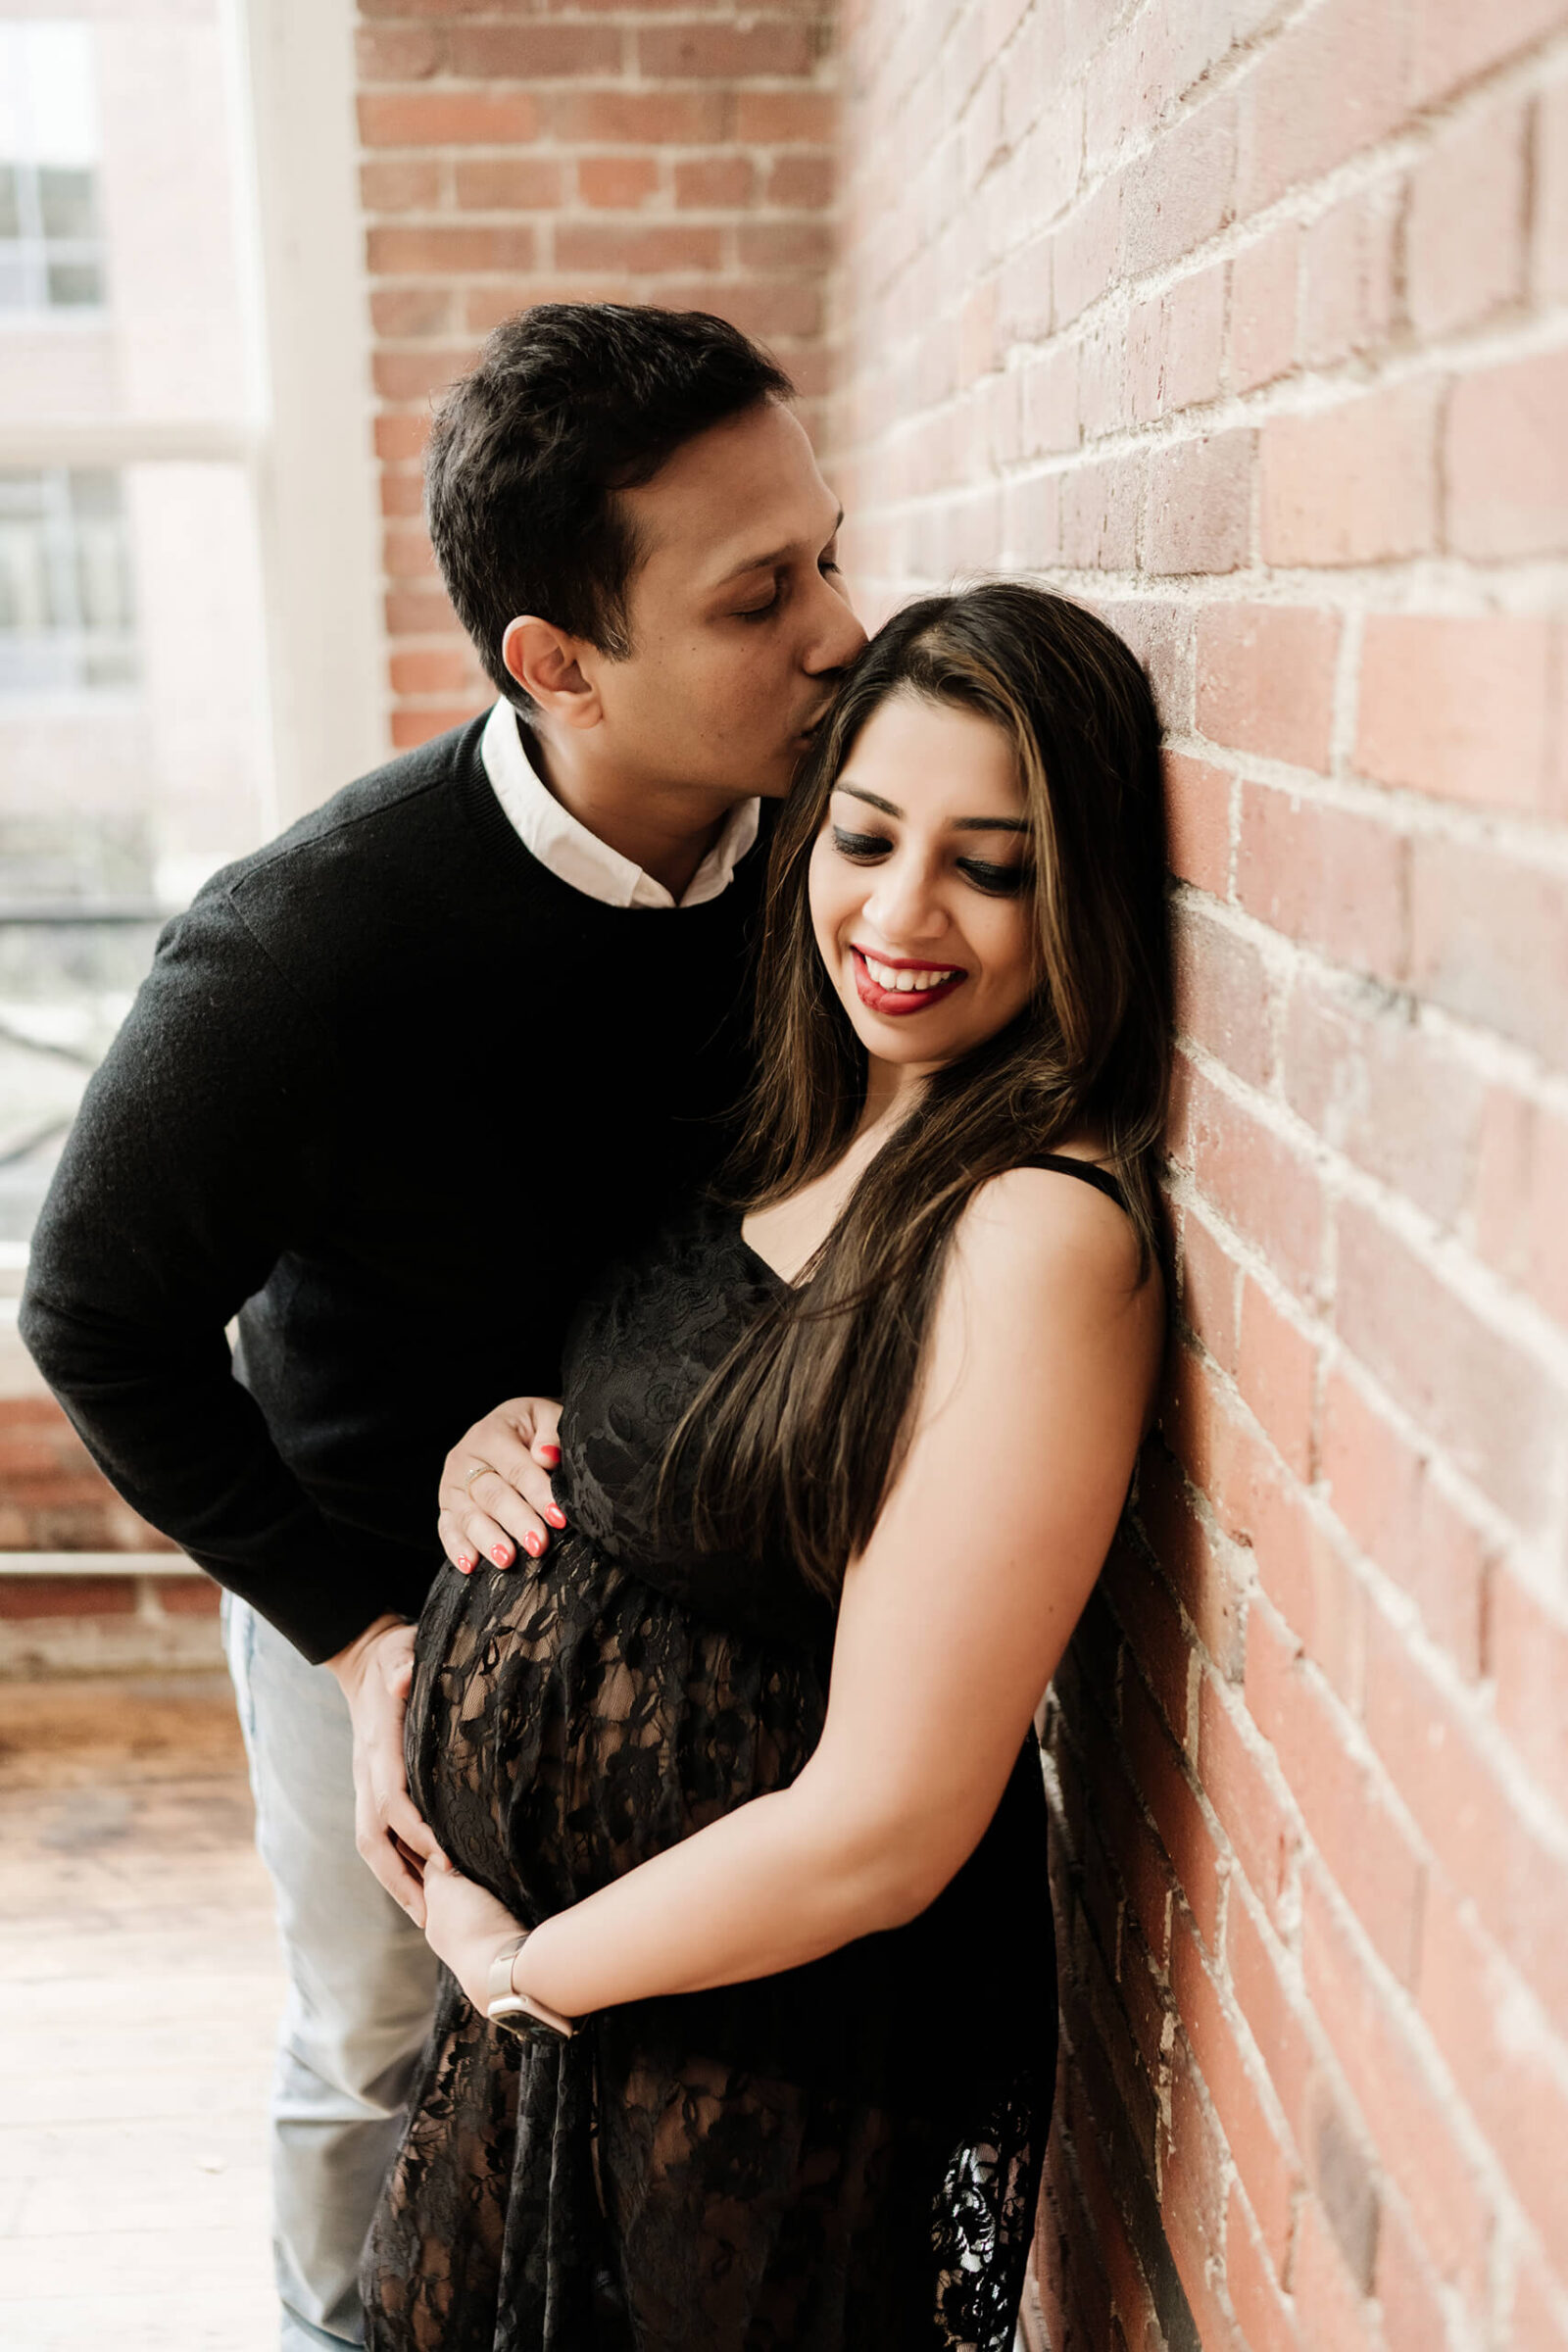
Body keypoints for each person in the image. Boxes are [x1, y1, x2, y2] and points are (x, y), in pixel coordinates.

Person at [19, 303, 864, 2351]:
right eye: (763, 596)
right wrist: (357, 1630)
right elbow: (91, 1312)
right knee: (383, 2038)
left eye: (830, 552)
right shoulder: (309, 944)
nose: (844, 632)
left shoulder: (849, 857)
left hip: (696, 1573)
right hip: (366, 1579)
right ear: (554, 665)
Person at [362, 581, 1172, 2352]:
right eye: (866, 837)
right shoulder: (820, 1108)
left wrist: (520, 1965)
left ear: (1087, 891)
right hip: (572, 2024)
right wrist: (495, 1454)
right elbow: (692, 1439)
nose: (900, 912)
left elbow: (887, 1822)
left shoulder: (1033, 1229)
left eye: (995, 867)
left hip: (757, 2072)